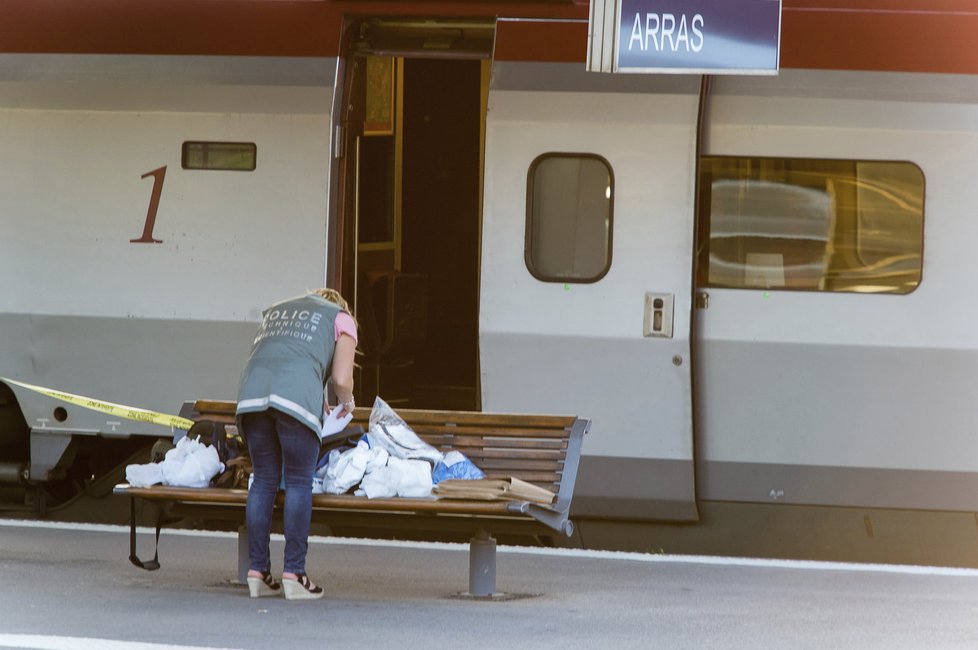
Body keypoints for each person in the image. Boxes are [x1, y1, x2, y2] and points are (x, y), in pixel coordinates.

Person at [236, 288, 357, 600]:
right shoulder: (341, 318)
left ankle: (258, 572)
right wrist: (347, 402)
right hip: (295, 401)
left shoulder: (276, 310)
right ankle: (294, 574)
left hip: (252, 396)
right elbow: (342, 379)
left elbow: (284, 359)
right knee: (299, 481)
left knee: (263, 479)